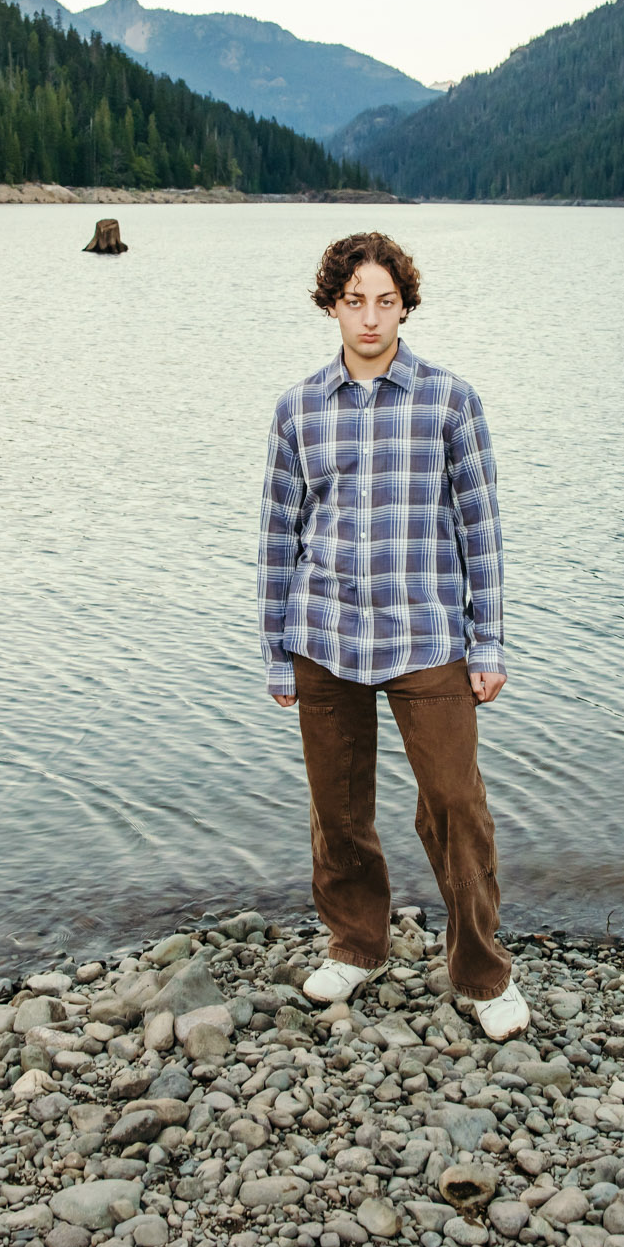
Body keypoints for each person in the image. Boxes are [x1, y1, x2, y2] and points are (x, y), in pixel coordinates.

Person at [257, 231, 528, 1040]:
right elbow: (279, 535)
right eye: (353, 301)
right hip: (325, 634)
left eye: (384, 300)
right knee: (337, 808)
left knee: (454, 802)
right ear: (332, 306)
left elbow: (481, 528)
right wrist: (276, 647)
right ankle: (356, 942)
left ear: (404, 304)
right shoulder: (298, 409)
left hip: (426, 633)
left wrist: (489, 642)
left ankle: (480, 971)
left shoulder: (450, 400)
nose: (369, 317)